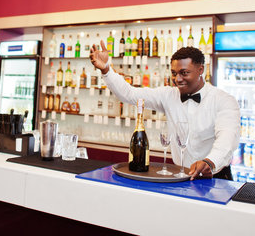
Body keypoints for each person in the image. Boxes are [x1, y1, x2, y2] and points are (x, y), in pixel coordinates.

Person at [90, 41, 240, 180]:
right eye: (174, 73)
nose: (178, 79)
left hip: (214, 177)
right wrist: (106, 70)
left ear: (201, 69)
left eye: (184, 72)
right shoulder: (169, 95)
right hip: (179, 175)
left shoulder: (224, 100)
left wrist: (210, 162)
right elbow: (130, 94)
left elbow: (227, 140)